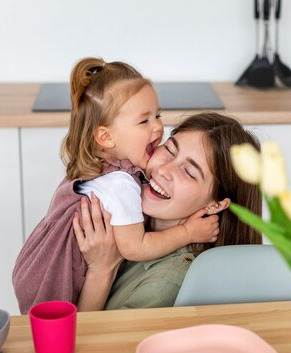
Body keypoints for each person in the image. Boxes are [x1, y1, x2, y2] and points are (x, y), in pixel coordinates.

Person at [12, 58, 218, 314]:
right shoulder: (121, 184)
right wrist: (188, 232)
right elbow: (135, 246)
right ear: (106, 137)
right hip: (53, 282)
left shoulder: (100, 167)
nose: (158, 127)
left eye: (158, 115)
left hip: (34, 271)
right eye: (144, 121)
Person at [73, 112, 263, 310]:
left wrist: (101, 270)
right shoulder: (124, 203)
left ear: (216, 205)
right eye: (170, 150)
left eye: (189, 172)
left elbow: (89, 341)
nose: (164, 170)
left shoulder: (167, 282)